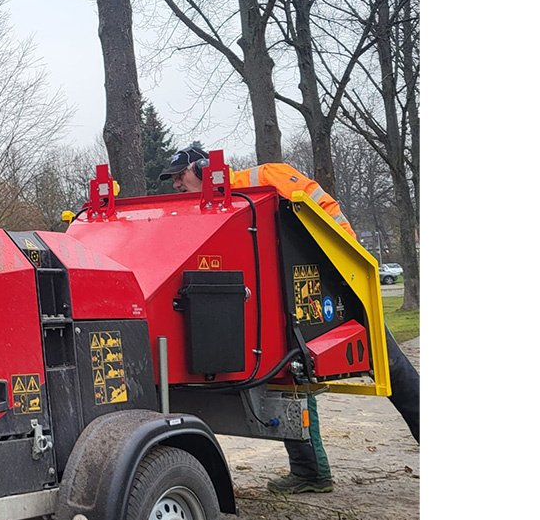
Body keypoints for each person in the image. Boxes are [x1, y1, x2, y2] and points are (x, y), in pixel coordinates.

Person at [158, 146, 420, 494]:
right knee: (290, 378)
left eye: (180, 175)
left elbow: (318, 216)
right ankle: (310, 473)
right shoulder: (209, 211)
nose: (176, 184)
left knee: (394, 371)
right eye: (172, 179)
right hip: (284, 303)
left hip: (336, 282)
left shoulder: (266, 178)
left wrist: (344, 273)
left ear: (204, 167)